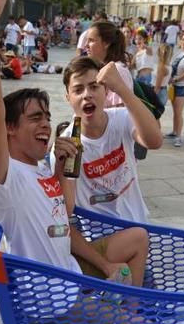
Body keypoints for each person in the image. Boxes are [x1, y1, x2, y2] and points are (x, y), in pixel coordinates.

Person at [0, 0, 150, 287]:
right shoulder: (5, 174)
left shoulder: (42, 165)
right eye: (34, 118)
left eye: (47, 117)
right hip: (53, 296)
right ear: (10, 129)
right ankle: (125, 319)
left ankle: (126, 310)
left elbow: (64, 217)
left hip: (70, 266)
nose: (46, 124)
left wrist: (62, 169)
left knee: (138, 238)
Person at [58, 56, 162, 223]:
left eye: (94, 87)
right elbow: (66, 210)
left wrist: (122, 88)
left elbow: (154, 141)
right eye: (78, 90)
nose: (87, 95)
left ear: (106, 91)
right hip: (99, 236)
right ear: (68, 98)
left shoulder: (122, 118)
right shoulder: (68, 144)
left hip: (138, 222)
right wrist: (59, 166)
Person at [84, 21, 133, 108]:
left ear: (106, 43)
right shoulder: (102, 67)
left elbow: (119, 110)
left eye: (91, 40)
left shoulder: (118, 70)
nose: (86, 45)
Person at [153, 43, 173, 109]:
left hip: (158, 92)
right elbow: (169, 80)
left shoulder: (162, 67)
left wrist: (152, 96)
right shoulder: (169, 66)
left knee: (153, 115)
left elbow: (157, 86)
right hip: (164, 91)